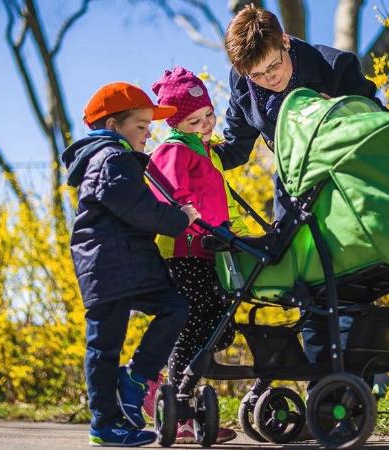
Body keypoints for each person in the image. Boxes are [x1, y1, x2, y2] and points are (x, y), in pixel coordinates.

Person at [62, 82, 201, 447]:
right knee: (105, 346)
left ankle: (135, 378)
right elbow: (137, 209)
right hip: (110, 267)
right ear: (113, 126)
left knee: (173, 307)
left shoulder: (114, 158)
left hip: (125, 265)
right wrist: (178, 219)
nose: (148, 133)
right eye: (140, 126)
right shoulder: (111, 158)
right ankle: (105, 423)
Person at [146, 66, 246, 444]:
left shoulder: (208, 153)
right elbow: (172, 191)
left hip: (213, 251)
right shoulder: (172, 150)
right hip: (184, 251)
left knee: (217, 326)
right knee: (193, 325)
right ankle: (180, 410)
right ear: (175, 121)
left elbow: (224, 200)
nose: (206, 124)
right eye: (195, 119)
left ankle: (180, 393)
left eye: (209, 115)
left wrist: (239, 231)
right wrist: (191, 212)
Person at [215, 4, 388, 219]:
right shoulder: (242, 85)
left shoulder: (334, 66)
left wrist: (340, 113)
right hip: (292, 184)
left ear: (285, 42)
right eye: (257, 75)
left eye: (273, 66)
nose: (269, 79)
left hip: (349, 171)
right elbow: (235, 148)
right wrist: (192, 155)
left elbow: (377, 119)